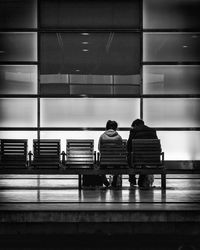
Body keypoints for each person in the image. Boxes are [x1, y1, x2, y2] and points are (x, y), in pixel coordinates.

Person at [127, 119, 158, 189]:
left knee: (129, 156)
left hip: (137, 158)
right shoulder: (153, 131)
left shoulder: (133, 131)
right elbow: (157, 147)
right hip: (152, 159)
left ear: (135, 125)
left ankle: (132, 180)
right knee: (143, 161)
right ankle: (141, 181)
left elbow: (129, 147)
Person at [98, 120, 123, 188]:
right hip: (116, 162)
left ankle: (105, 182)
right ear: (115, 127)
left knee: (100, 167)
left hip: (104, 162)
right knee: (118, 165)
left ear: (107, 127)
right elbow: (121, 149)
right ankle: (114, 180)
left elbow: (99, 148)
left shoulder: (102, 136)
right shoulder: (119, 137)